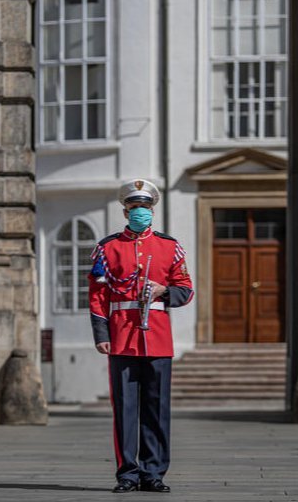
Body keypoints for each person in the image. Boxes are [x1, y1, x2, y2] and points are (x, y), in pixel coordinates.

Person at [89, 179, 194, 493]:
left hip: (158, 337)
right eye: (135, 208)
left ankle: (154, 473)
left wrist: (164, 291)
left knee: (156, 408)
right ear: (125, 211)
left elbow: (186, 291)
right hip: (121, 336)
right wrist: (101, 333)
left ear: (152, 210)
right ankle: (127, 474)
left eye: (145, 207)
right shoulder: (107, 249)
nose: (140, 212)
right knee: (125, 410)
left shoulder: (169, 246)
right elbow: (97, 294)